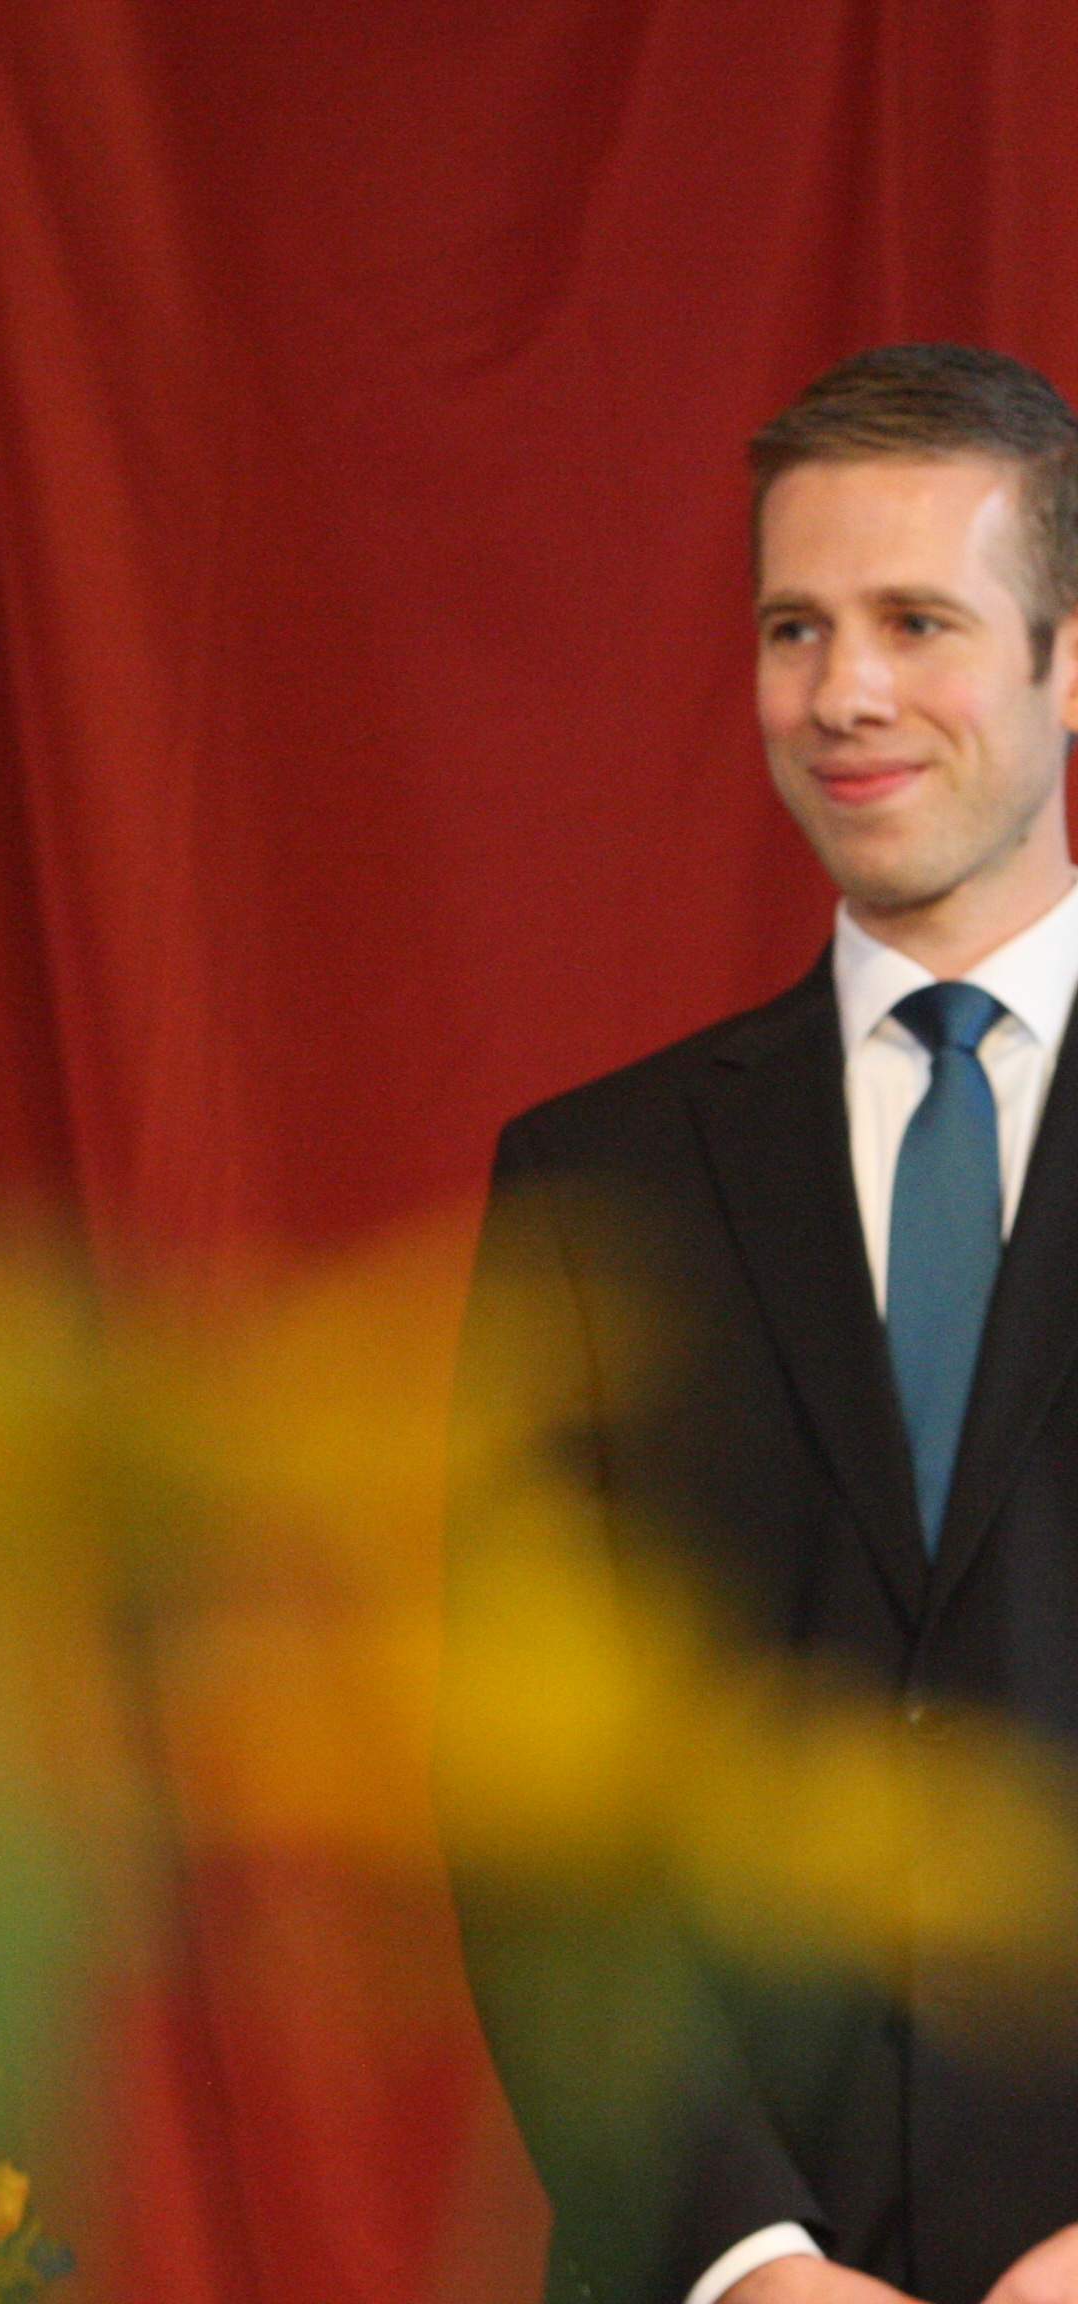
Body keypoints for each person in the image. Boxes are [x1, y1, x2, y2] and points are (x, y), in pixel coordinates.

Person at [448, 344, 1078, 2304]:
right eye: (795, 627)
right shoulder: (595, 1182)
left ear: (1070, 661)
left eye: (917, 622)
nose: (844, 692)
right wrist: (749, 2258)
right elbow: (531, 1807)